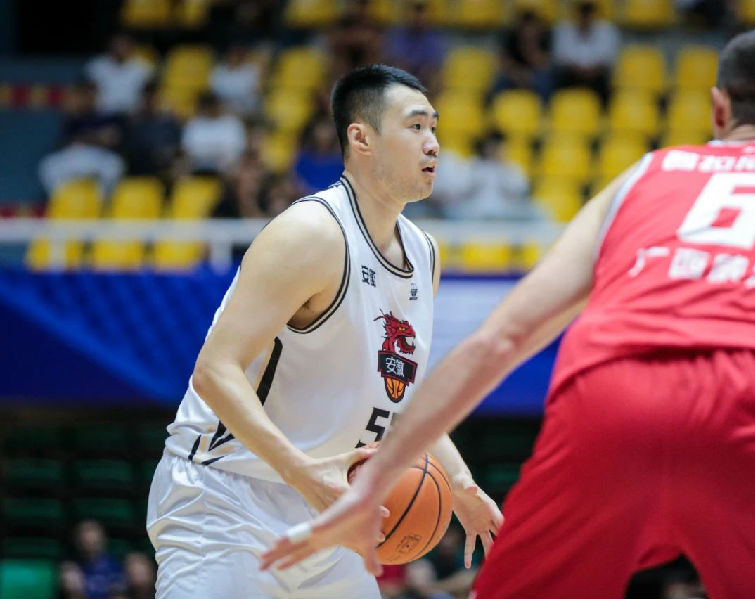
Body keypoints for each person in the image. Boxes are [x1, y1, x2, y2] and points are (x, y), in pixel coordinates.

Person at [261, 28, 755, 599]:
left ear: (718, 108)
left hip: (608, 397)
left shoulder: (642, 178)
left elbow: (499, 339)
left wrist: (373, 485)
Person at [147, 64, 501, 599]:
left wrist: (459, 484)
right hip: (227, 499)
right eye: (414, 127)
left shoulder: (424, 252)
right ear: (362, 138)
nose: (432, 144)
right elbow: (214, 371)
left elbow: (400, 397)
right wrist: (301, 473)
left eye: (434, 128)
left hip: (329, 505)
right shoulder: (311, 232)